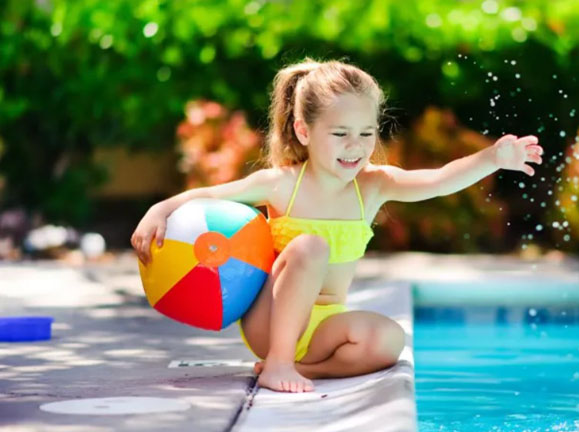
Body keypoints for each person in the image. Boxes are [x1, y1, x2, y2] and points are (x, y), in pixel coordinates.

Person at [131, 58, 543, 393]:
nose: (356, 146)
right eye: (341, 133)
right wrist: (158, 211)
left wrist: (491, 159)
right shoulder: (282, 184)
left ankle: (305, 370)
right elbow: (207, 197)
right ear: (304, 130)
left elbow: (437, 181)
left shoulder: (373, 186)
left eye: (366, 132)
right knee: (310, 248)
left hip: (327, 327)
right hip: (270, 322)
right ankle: (277, 361)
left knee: (390, 340)